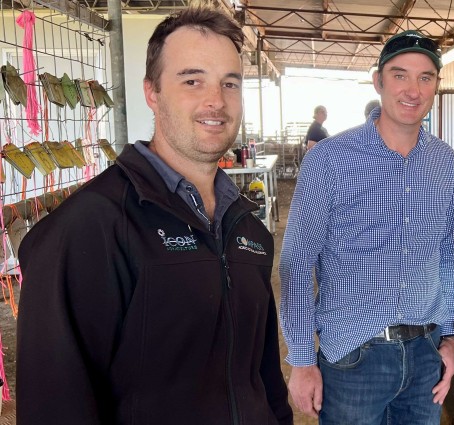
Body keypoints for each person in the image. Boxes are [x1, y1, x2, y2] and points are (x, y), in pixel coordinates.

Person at [16, 8, 293, 425]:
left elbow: (264, 375)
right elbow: (54, 403)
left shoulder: (248, 230)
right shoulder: (90, 228)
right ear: (152, 92)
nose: (215, 100)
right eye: (192, 80)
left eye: (229, 83)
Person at [281, 29, 454, 424]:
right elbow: (297, 261)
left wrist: (449, 337)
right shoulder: (330, 160)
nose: (412, 90)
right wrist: (300, 359)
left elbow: (448, 253)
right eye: (399, 75)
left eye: (425, 77)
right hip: (353, 356)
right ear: (379, 81)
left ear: (435, 87)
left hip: (425, 354)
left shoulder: (445, 162)